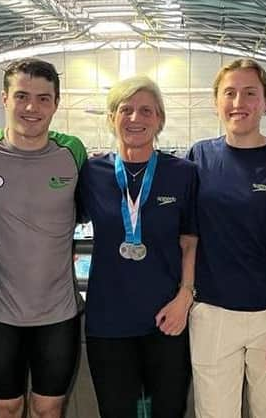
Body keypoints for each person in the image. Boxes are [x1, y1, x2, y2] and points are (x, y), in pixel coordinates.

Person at [186, 59, 266, 418]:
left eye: (250, 93)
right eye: (230, 93)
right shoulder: (199, 157)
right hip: (212, 316)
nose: (239, 102)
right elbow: (187, 240)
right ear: (216, 101)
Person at [0, 58, 86, 418]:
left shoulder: (73, 152)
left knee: (48, 409)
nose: (31, 108)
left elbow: (88, 211)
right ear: (4, 99)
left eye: (43, 98)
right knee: (5, 408)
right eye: (21, 96)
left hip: (59, 311)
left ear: (56, 103)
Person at [77, 76, 198, 418]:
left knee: (169, 411)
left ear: (159, 119)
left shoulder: (183, 173)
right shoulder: (91, 173)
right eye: (125, 109)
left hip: (168, 319)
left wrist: (184, 297)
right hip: (108, 321)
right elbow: (55, 222)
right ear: (111, 117)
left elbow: (190, 242)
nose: (135, 118)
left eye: (146, 110)